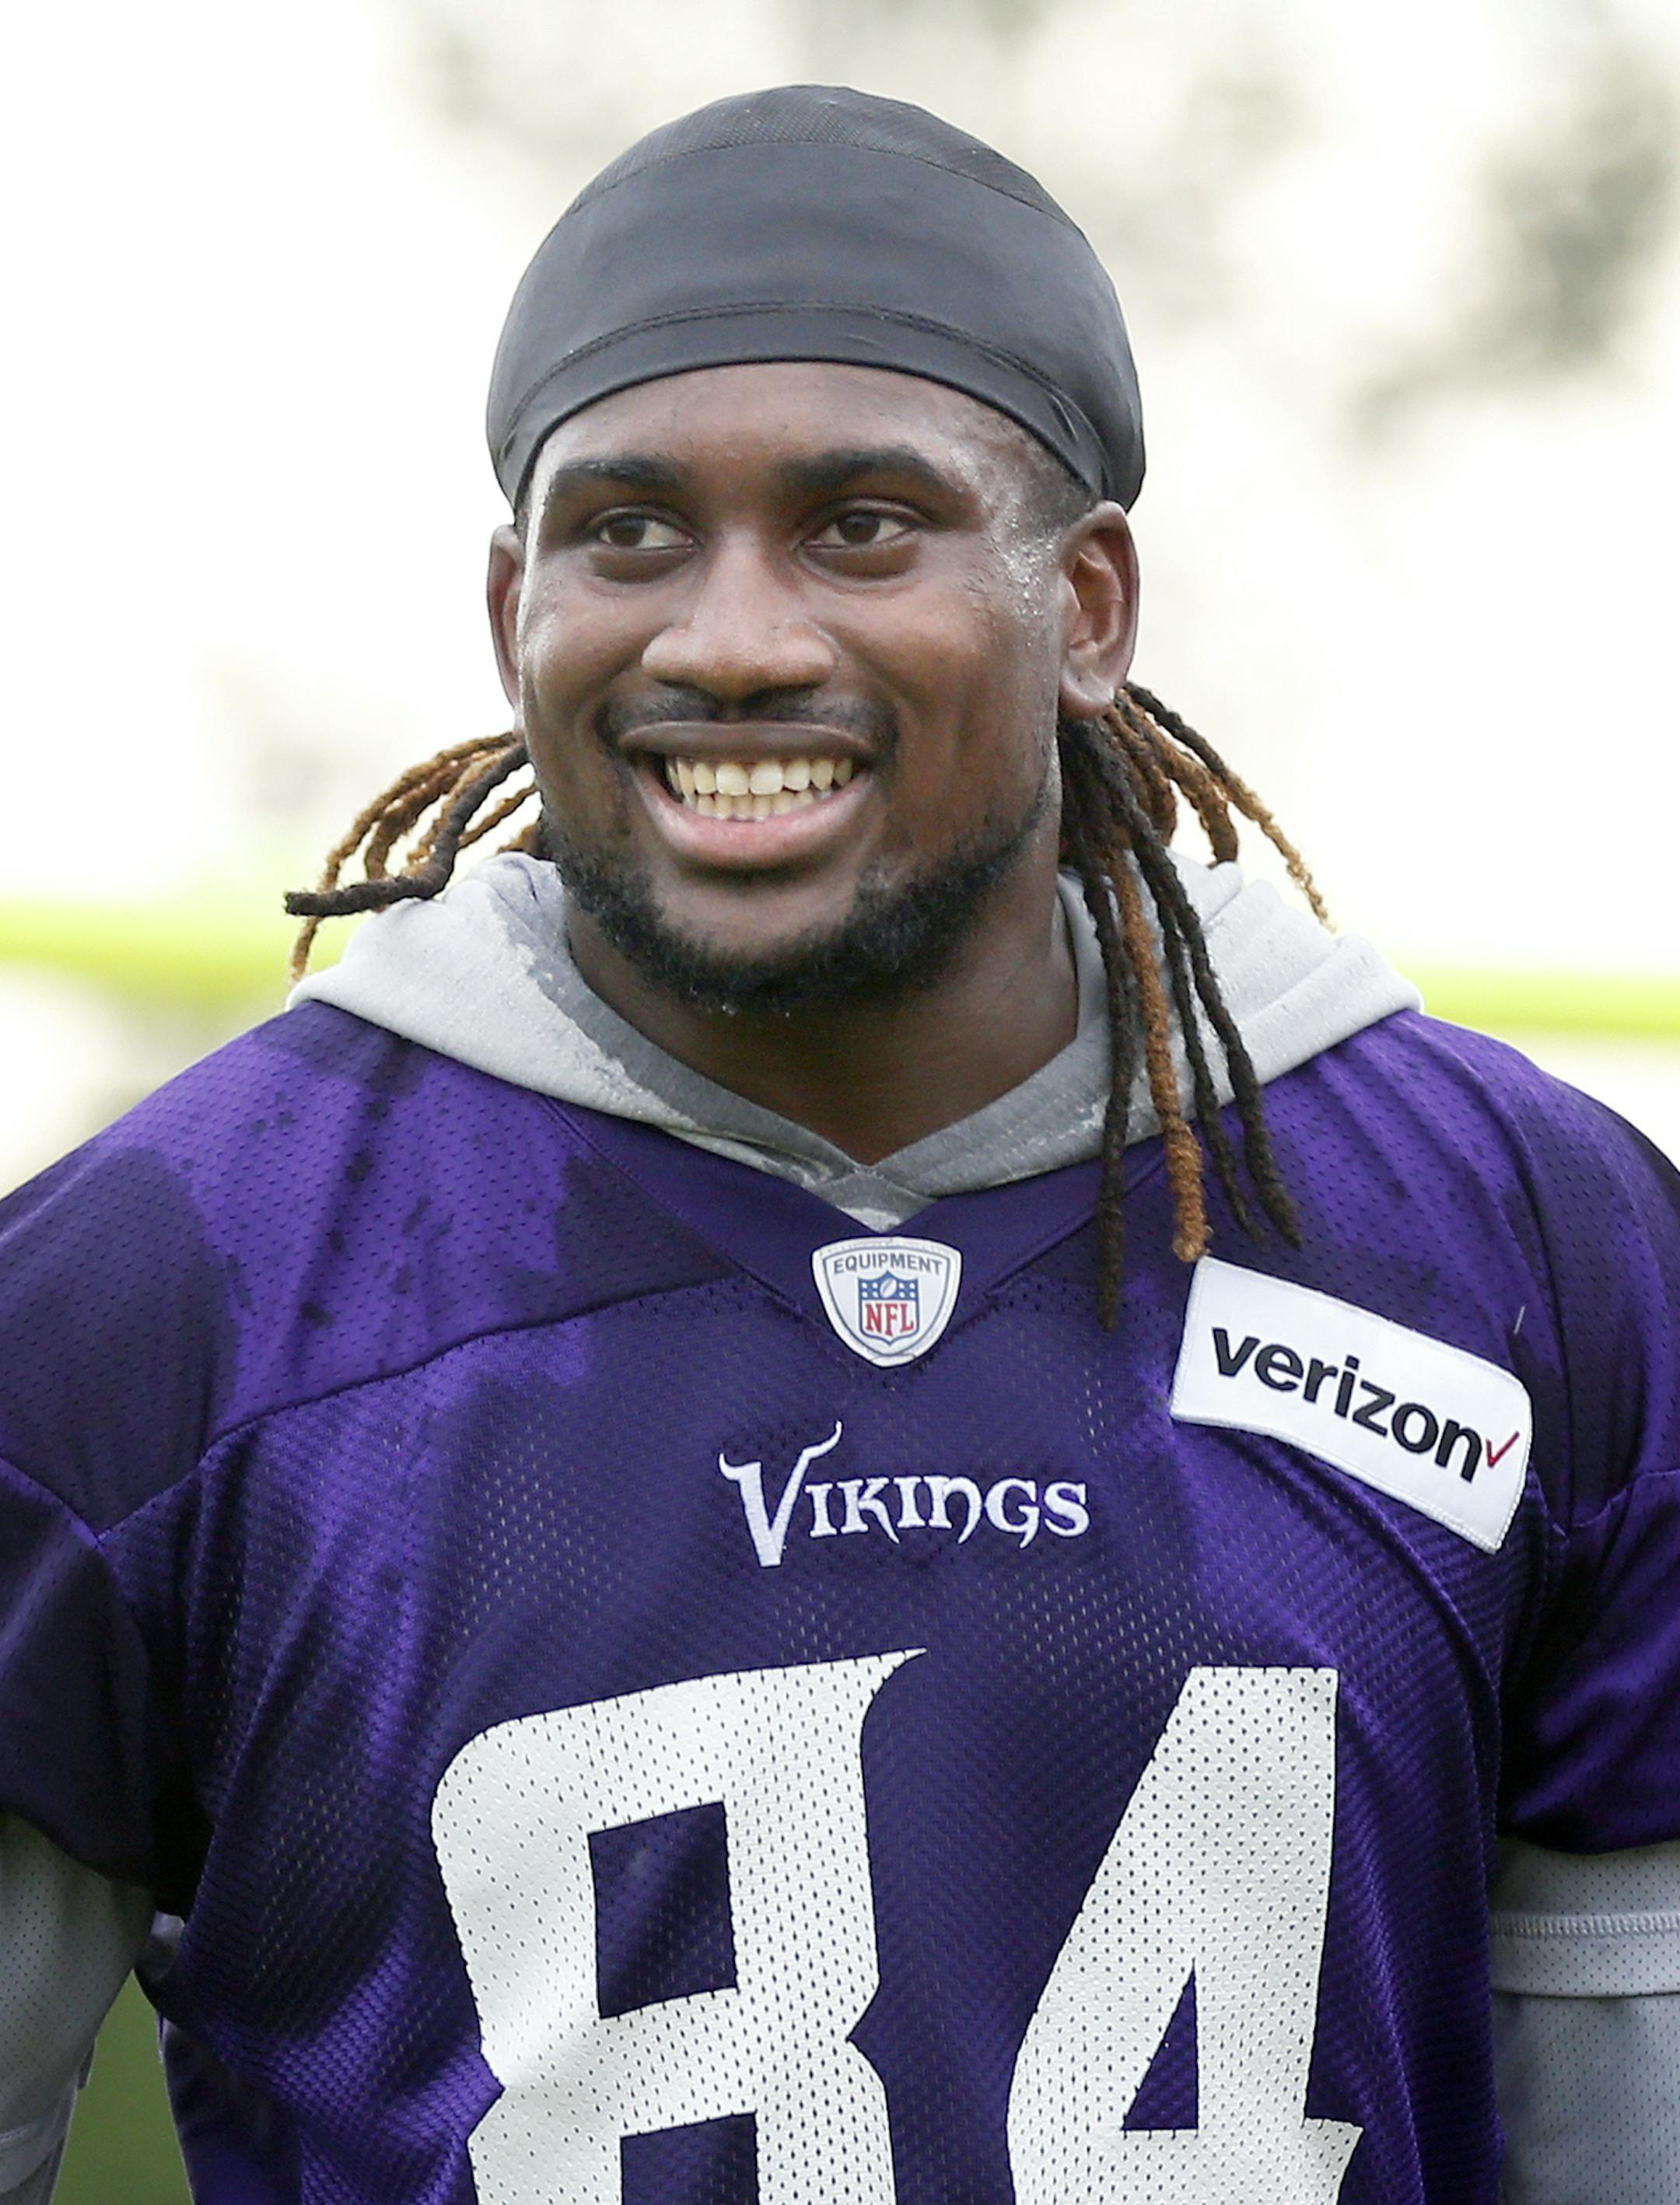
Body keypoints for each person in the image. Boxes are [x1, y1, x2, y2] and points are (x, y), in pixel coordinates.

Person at [1, 82, 1678, 2205]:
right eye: (628, 533)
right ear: (512, 601)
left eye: (859, 525)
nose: (732, 637)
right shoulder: (162, 1291)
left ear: (1086, 607)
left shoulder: (1526, 1247)